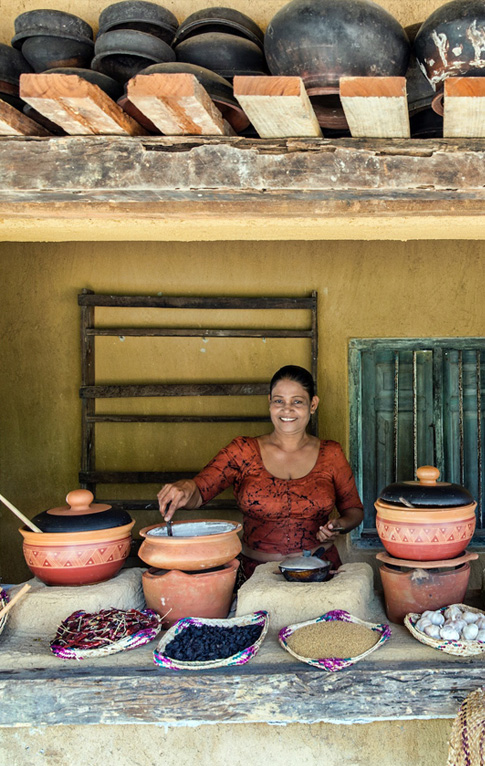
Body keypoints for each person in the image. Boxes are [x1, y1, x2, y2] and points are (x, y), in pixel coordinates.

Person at [157, 365, 364, 580]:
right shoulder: (243, 451)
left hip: (318, 572)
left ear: (313, 404)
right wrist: (184, 488)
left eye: (297, 401)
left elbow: (354, 511)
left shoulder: (331, 453)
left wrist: (338, 525)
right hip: (255, 575)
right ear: (270, 403)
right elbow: (199, 492)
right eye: (279, 401)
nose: (287, 409)